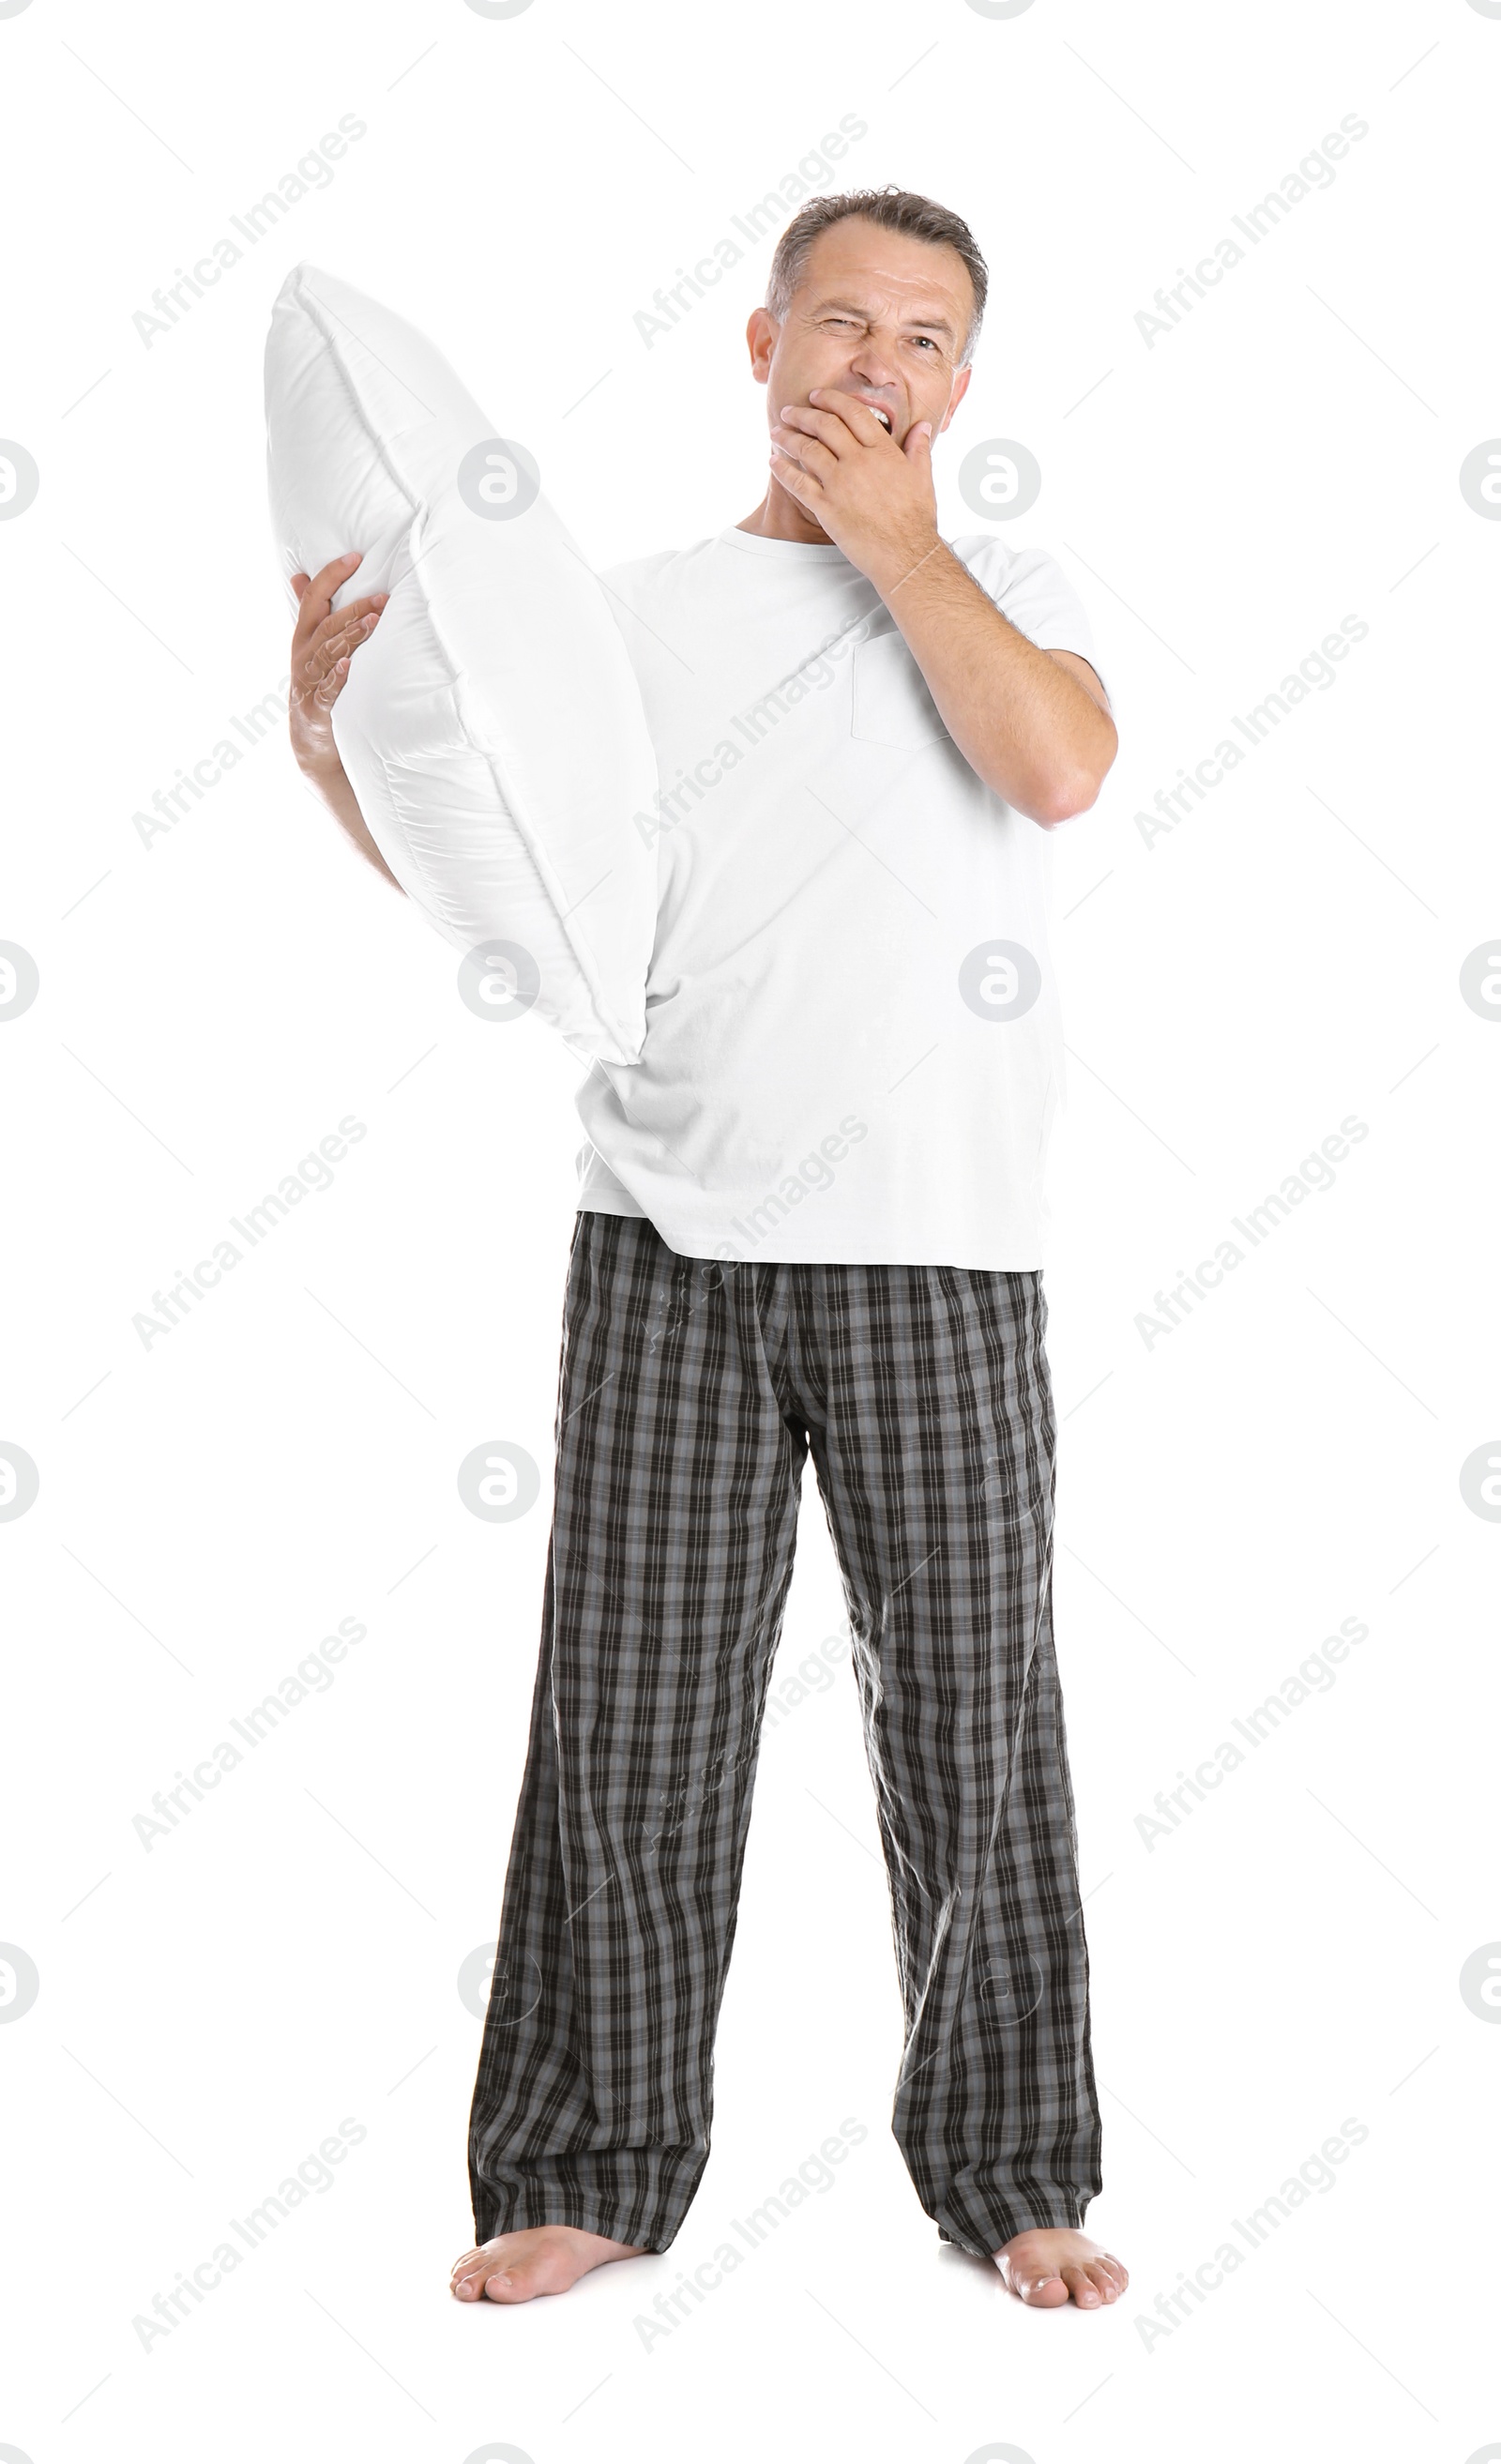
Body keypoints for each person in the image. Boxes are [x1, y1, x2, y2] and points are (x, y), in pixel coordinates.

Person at [287, 188, 1127, 2315]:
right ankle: (586, 2162)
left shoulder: (1002, 585)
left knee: (970, 1724)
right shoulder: (633, 617)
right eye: (837, 323)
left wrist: (899, 549)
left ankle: (1011, 2168)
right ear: (755, 349)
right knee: (631, 1721)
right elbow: (520, 895)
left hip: (937, 1247)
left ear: (960, 384)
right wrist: (330, 745)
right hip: (665, 1231)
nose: (875, 364)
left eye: (921, 338)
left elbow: (1055, 768)